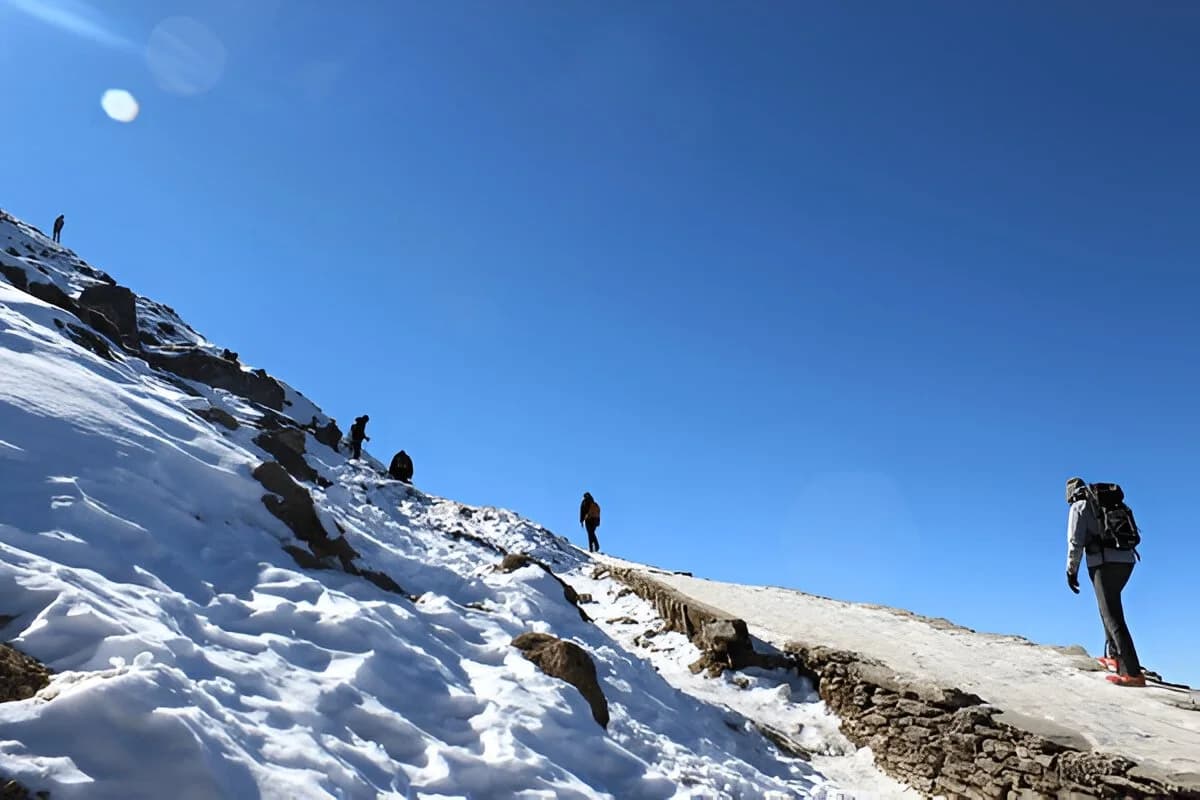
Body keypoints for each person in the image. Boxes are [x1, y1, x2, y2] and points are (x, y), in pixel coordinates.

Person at [1065, 477, 1144, 687]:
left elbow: (1075, 542)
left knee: (1111, 615)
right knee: (1107, 607)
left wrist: (1071, 571)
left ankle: (1132, 673)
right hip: (1127, 561)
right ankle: (1114, 657)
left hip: (1103, 563)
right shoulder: (1110, 503)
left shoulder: (1079, 507)